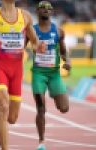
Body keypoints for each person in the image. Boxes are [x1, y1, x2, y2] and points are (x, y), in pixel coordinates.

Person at [0, 0, 47, 149]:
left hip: (17, 70)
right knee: (3, 107)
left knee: (12, 118)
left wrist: (38, 47)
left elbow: (33, 41)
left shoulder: (25, 16)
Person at [30, 1, 71, 150]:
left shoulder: (59, 31)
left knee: (64, 108)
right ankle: (42, 141)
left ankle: (54, 93)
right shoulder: (31, 31)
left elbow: (63, 51)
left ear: (52, 12)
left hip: (54, 74)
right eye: (43, 7)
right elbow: (21, 47)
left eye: (49, 8)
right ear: (37, 11)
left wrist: (68, 61)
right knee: (41, 110)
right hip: (38, 74)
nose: (46, 10)